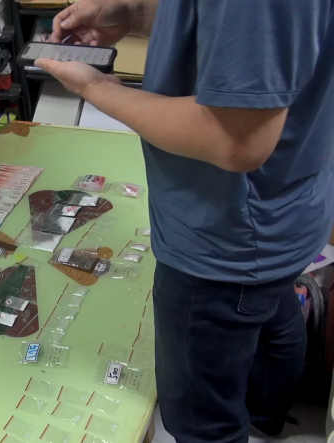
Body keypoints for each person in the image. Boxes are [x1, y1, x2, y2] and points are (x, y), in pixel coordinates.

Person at [38, 0, 334, 441]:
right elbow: (251, 39)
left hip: (225, 242)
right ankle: (266, 420)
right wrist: (136, 15)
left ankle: (253, 422)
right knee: (272, 315)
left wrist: (97, 87)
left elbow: (236, 139)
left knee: (201, 422)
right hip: (284, 211)